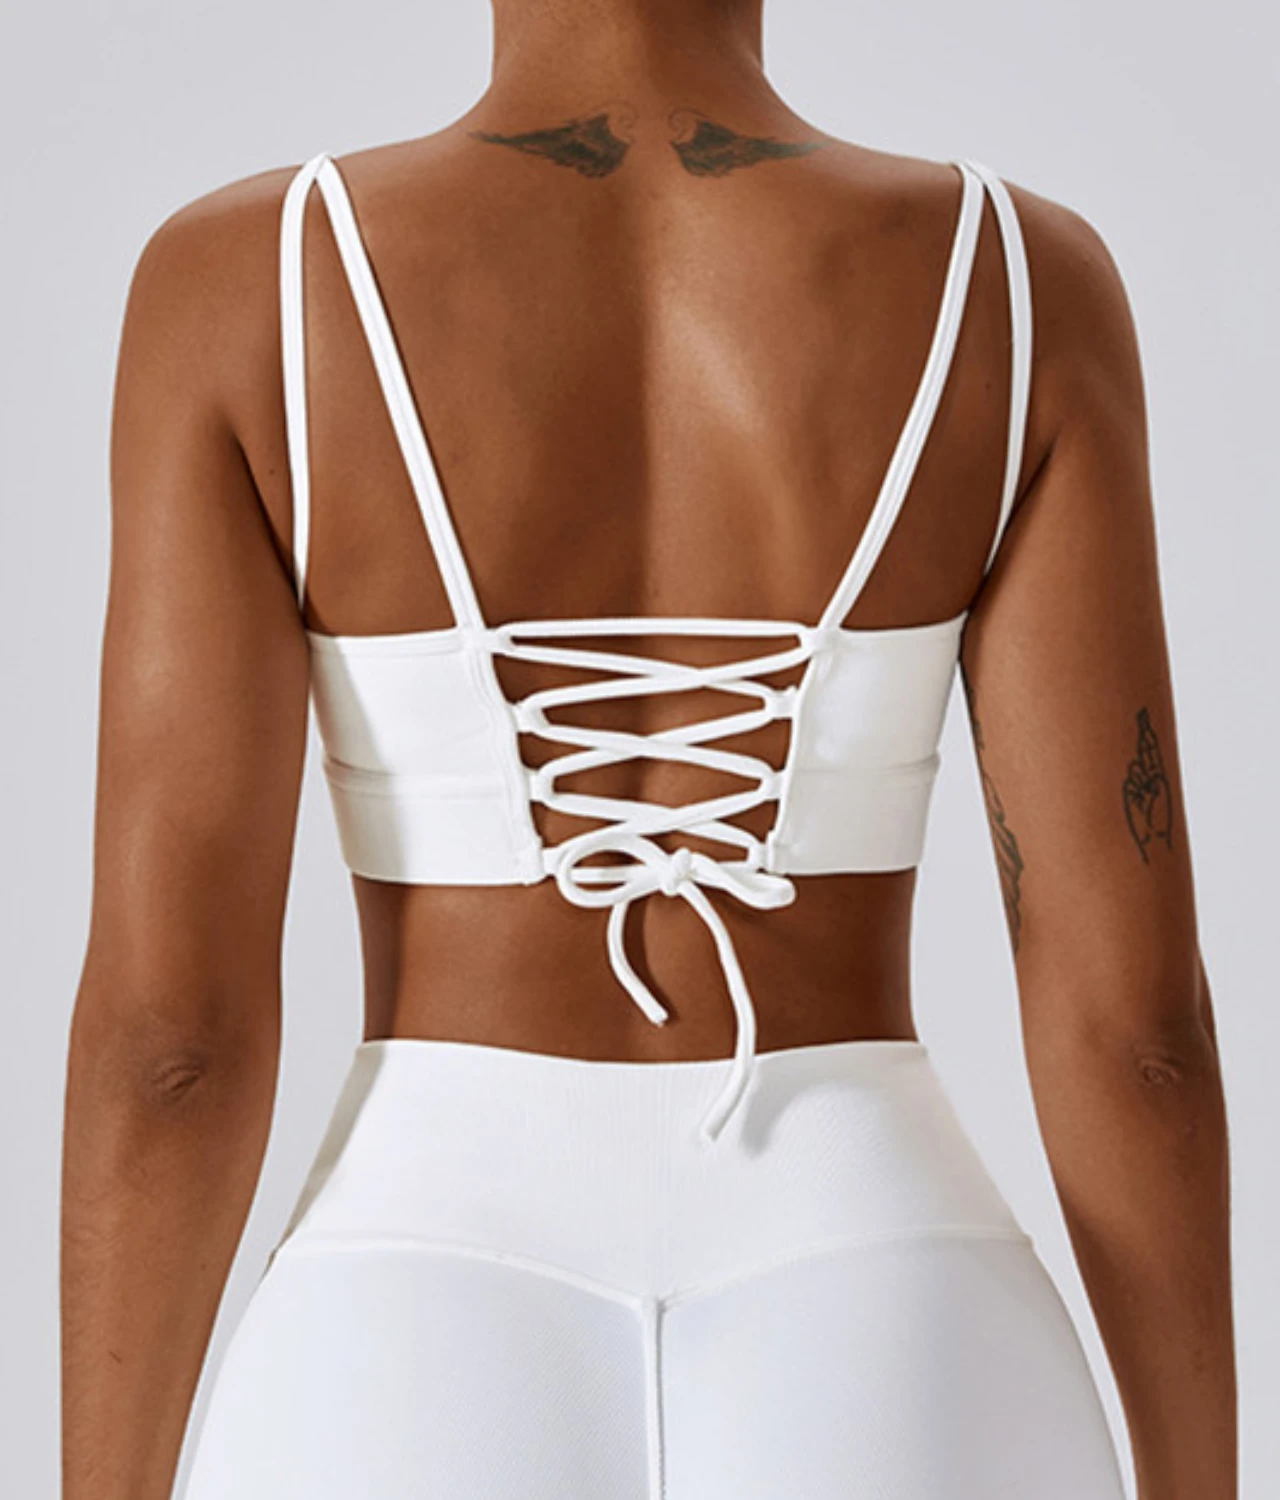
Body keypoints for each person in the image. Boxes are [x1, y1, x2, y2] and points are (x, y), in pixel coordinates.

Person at [60, 1, 1236, 1496]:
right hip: (891, 1312)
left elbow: (173, 1039)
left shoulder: (256, 282)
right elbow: (1137, 1033)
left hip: (409, 1311)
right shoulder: (1010, 280)